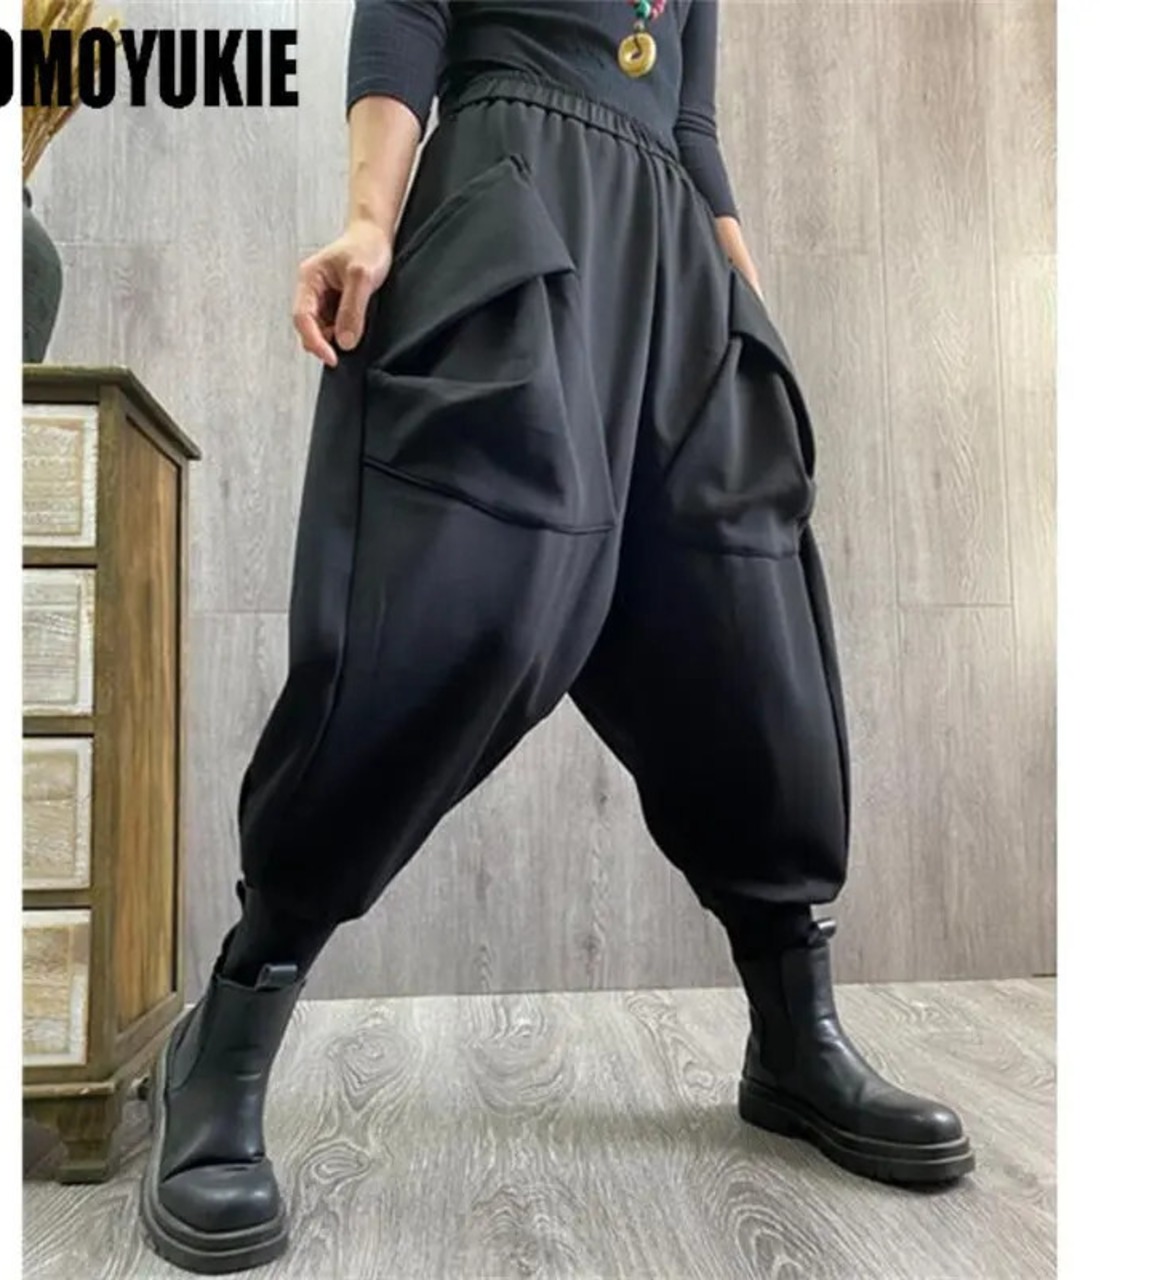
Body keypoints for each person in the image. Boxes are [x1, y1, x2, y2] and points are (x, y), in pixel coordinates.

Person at [139, 1, 974, 1272]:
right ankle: (232, 1027)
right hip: (514, 196)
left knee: (742, 633)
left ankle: (792, 1034)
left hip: (677, 266)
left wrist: (740, 292)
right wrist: (369, 217)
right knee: (453, 614)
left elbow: (690, 120)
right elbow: (404, 14)